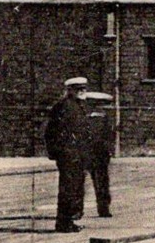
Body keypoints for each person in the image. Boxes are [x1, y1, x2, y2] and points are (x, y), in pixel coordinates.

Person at [44, 76, 90, 233]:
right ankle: (64, 222)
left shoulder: (79, 106)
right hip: (68, 153)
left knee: (76, 187)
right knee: (68, 188)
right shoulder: (63, 106)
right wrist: (56, 151)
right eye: (78, 89)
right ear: (70, 91)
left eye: (83, 89)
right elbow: (51, 131)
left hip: (78, 153)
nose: (82, 92)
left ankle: (70, 219)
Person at [78, 90, 114, 219]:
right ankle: (103, 209)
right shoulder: (103, 118)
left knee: (81, 182)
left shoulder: (85, 117)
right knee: (101, 182)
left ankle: (79, 210)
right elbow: (109, 136)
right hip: (97, 154)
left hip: (92, 153)